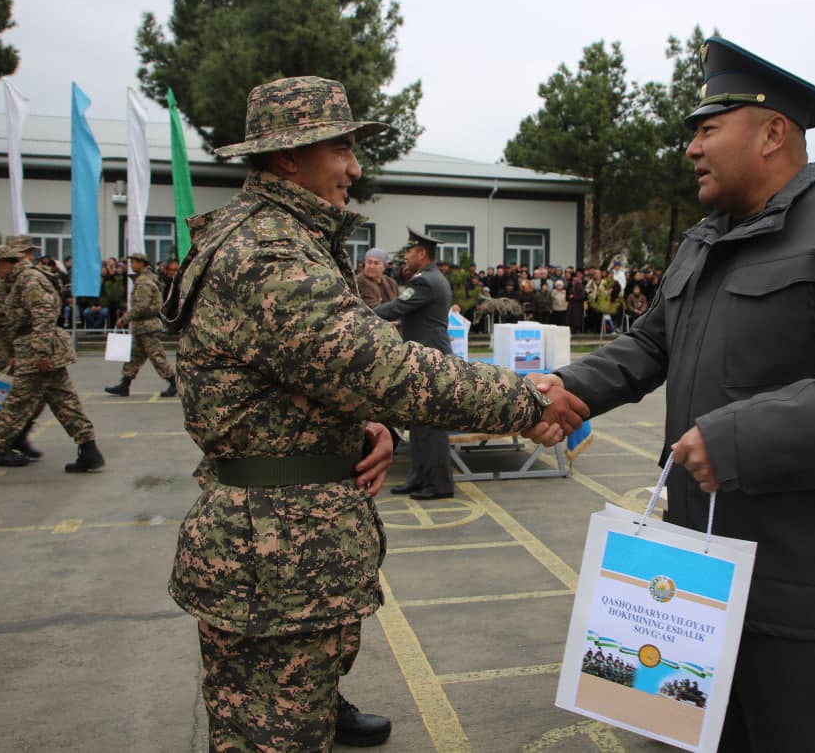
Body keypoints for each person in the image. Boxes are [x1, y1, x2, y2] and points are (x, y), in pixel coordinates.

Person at [527, 37, 815, 753]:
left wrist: (739, 437)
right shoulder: (703, 240)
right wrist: (570, 387)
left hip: (800, 580)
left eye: (706, 128)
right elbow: (653, 344)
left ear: (773, 132)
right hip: (695, 575)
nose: (691, 147)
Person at [160, 76, 587, 751]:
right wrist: (525, 400)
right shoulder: (270, 252)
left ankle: (320, 703)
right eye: (341, 148)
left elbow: (296, 375)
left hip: (292, 543)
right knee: (271, 730)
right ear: (288, 158)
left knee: (298, 700)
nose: (354, 168)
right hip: (272, 555)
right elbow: (382, 367)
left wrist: (365, 426)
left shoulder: (285, 234)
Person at [0, 235, 105, 479]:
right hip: (40, 347)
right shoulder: (21, 278)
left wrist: (40, 351)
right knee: (64, 401)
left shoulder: (27, 279)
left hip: (36, 349)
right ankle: (89, 450)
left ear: (3, 263)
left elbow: (42, 315)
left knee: (15, 403)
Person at [373, 228, 455, 501]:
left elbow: (397, 308)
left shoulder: (427, 282)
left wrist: (362, 314)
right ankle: (419, 478)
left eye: (409, 252)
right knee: (418, 422)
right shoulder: (428, 278)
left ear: (421, 253)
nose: (405, 257)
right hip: (423, 357)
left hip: (431, 359)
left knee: (431, 425)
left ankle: (439, 484)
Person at [0, 244, 41, 467]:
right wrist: (15, 348)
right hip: (4, 348)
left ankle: (16, 437)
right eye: (25, 254)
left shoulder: (11, 279)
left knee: (29, 396)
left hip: (15, 345)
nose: (27, 259)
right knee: (0, 398)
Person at [104, 253, 178, 398]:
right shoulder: (147, 279)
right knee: (134, 357)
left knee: (157, 357)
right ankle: (125, 384)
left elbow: (141, 307)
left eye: (134, 262)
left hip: (147, 327)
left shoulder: (144, 282)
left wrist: (124, 319)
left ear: (142, 263)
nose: (132, 265)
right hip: (142, 326)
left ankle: (173, 382)